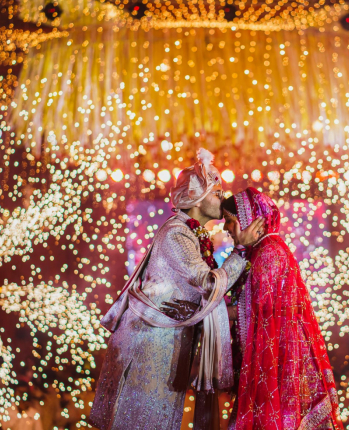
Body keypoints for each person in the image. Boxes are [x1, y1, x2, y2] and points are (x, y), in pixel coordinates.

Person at [89, 149, 264, 430]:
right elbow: (208, 283)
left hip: (165, 340)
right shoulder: (176, 233)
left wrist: (203, 308)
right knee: (142, 421)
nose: (222, 197)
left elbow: (199, 294)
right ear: (195, 198)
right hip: (148, 342)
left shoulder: (192, 234)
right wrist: (240, 251)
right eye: (215, 191)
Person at [220, 187, 343, 430]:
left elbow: (260, 314)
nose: (226, 229)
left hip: (276, 360)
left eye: (231, 221)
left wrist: (217, 314)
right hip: (276, 356)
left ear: (250, 221)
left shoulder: (268, 254)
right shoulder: (265, 250)